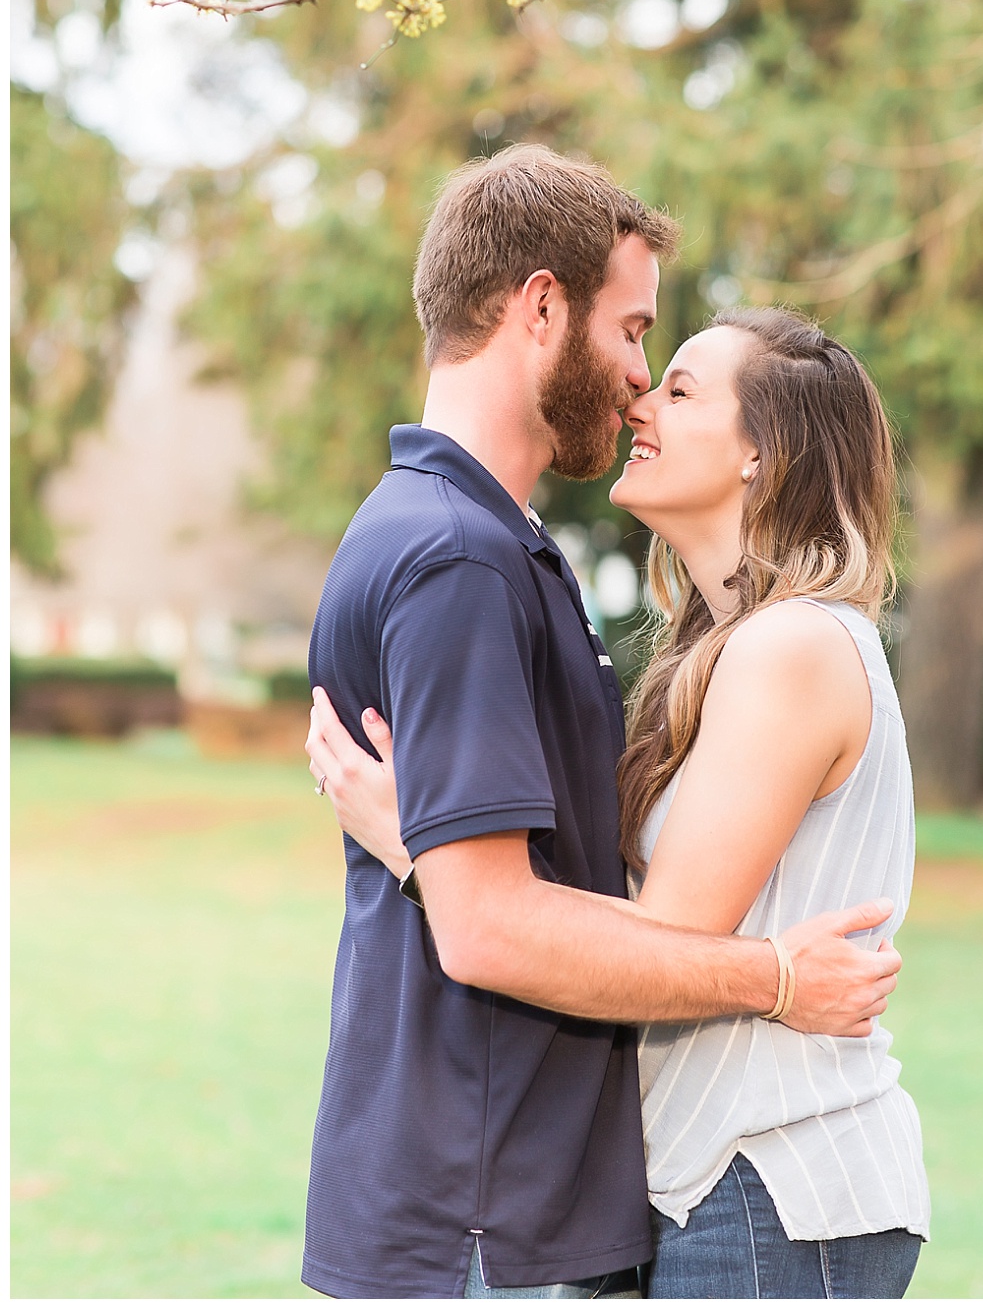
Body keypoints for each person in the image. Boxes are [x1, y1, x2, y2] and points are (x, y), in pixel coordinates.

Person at [301, 145, 903, 1301]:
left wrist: (421, 856)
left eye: (670, 372)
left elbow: (556, 908)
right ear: (540, 306)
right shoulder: (460, 556)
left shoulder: (499, 553)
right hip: (488, 1205)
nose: (637, 381)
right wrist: (775, 974)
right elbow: (493, 926)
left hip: (650, 1186)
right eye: (635, 336)